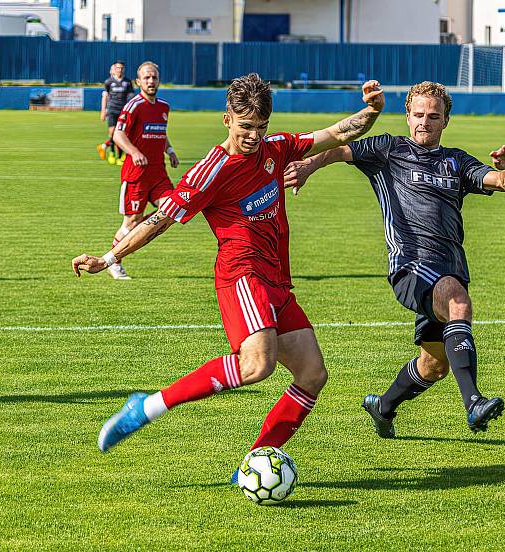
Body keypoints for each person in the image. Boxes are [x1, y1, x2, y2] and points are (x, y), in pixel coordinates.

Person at [72, 74, 385, 478]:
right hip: (242, 273)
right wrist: (108, 256)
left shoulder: (277, 148)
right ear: (227, 120)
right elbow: (159, 221)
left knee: (312, 374)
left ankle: (251, 465)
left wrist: (373, 110)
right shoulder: (211, 170)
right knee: (257, 365)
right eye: (244, 127)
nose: (253, 136)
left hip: (275, 278)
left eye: (259, 127)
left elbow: (336, 132)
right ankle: (147, 407)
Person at [283, 81, 505, 438]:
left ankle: (383, 407)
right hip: (410, 266)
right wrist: (308, 166)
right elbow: (339, 150)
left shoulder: (456, 161)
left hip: (450, 265)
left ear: (445, 121)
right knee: (457, 301)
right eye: (419, 115)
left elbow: (504, 183)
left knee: (435, 364)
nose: (425, 122)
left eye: (434, 116)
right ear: (408, 116)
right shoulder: (388, 149)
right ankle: (473, 403)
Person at [106, 61, 179, 280]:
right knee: (131, 222)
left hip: (158, 174)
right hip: (136, 175)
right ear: (138, 82)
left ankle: (142, 228)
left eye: (154, 77)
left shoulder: (163, 107)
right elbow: (118, 135)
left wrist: (170, 149)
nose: (151, 81)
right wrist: (134, 152)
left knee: (174, 209)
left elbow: (160, 131)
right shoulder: (133, 106)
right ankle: (113, 260)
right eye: (146, 78)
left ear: (159, 80)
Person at [97, 61, 134, 166]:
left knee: (122, 133)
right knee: (112, 133)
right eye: (118, 68)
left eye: (122, 68)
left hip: (124, 111)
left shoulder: (128, 82)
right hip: (112, 110)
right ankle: (112, 153)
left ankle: (119, 156)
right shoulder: (109, 82)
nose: (120, 70)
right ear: (114, 69)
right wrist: (103, 111)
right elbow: (105, 96)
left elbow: (131, 97)